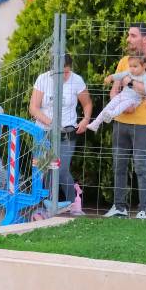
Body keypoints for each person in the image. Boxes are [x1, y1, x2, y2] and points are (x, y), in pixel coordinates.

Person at [104, 24, 146, 219]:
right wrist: (120, 104)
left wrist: (129, 83)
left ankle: (144, 211)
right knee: (119, 166)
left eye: (132, 35)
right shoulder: (124, 61)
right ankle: (119, 207)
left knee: (141, 166)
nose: (128, 39)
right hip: (121, 122)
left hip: (143, 125)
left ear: (145, 39)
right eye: (128, 35)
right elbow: (114, 90)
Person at [29, 53, 93, 213]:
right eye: (59, 72)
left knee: (62, 168)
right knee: (44, 168)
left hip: (67, 131)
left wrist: (85, 120)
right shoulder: (43, 79)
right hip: (44, 131)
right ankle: (46, 204)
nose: (63, 76)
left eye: (66, 72)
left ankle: (74, 204)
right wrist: (51, 122)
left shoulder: (76, 80)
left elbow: (87, 103)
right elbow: (33, 108)